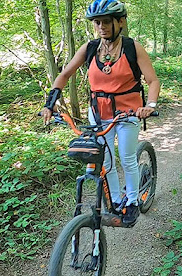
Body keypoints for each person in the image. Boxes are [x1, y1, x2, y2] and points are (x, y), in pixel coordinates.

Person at [41, 0, 160, 226]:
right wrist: (50, 103)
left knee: (126, 157)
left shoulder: (133, 48)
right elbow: (65, 74)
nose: (101, 26)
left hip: (128, 113)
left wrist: (150, 106)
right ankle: (116, 200)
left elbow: (153, 81)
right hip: (98, 113)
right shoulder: (90, 48)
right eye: (97, 22)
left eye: (107, 21)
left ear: (121, 22)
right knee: (105, 162)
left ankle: (132, 200)